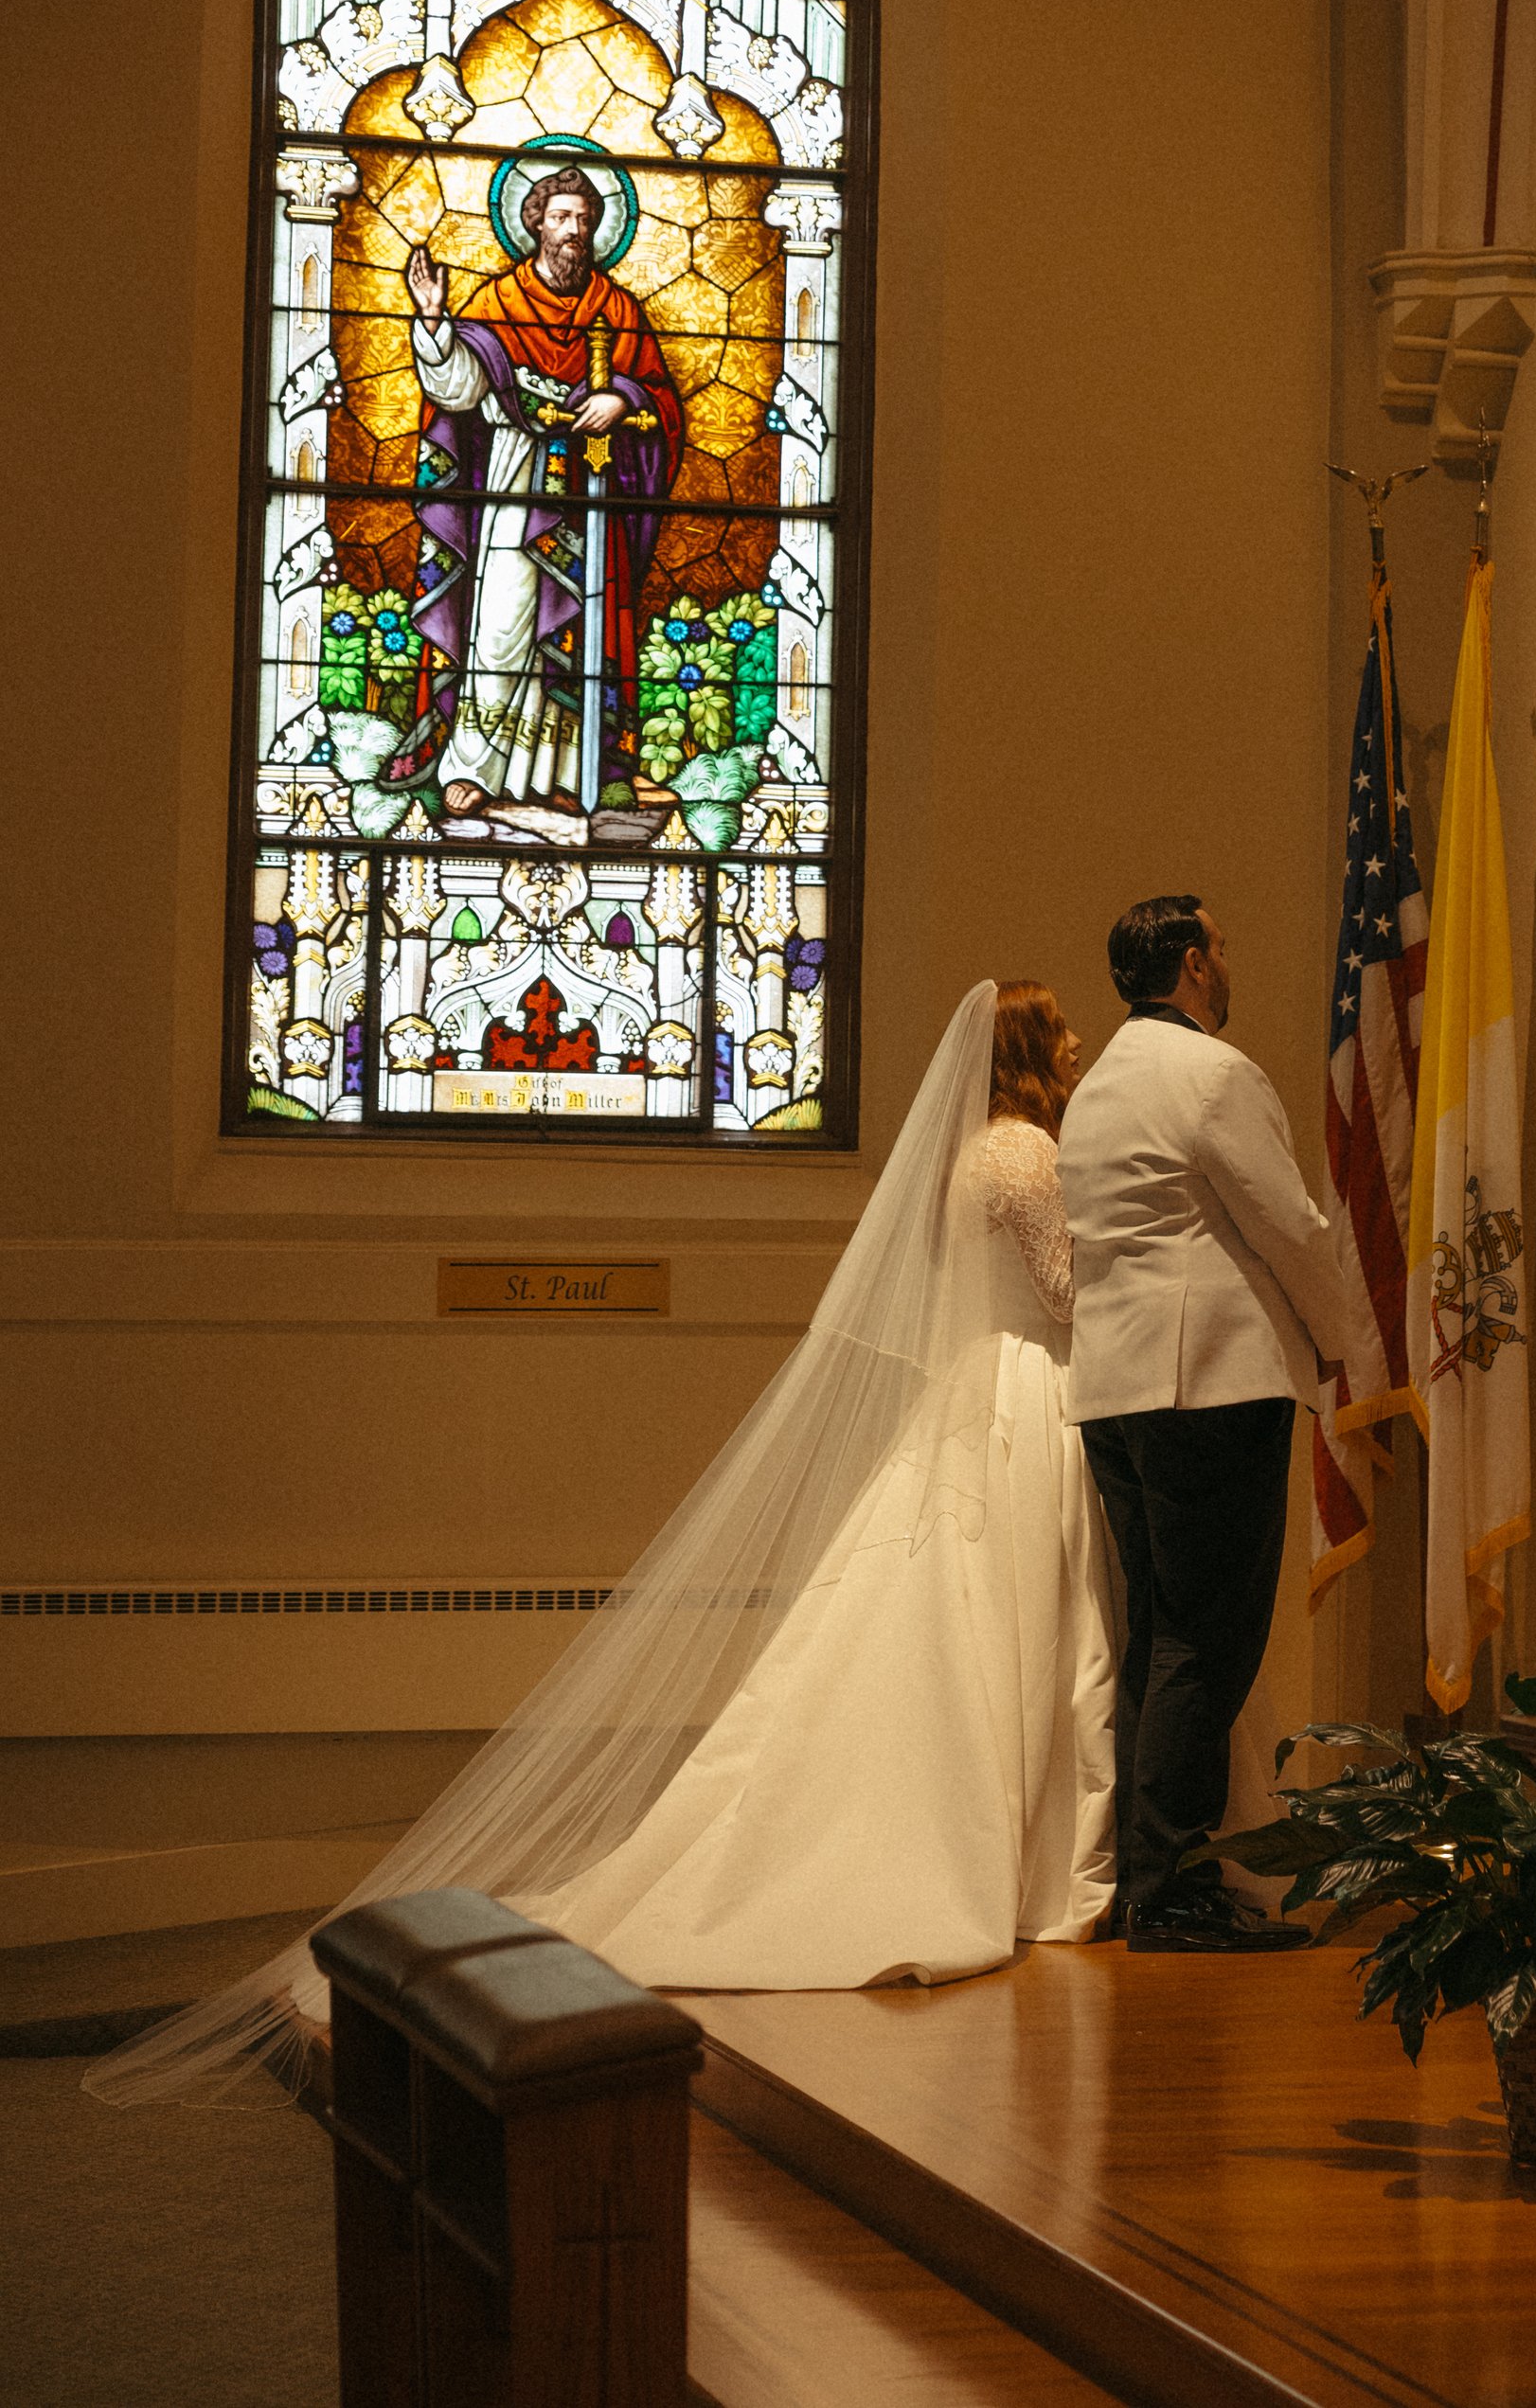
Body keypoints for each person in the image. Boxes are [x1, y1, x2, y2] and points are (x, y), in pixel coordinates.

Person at [90, 980, 1116, 2106]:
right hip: (1029, 1395)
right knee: (1039, 1614)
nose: (1073, 1044)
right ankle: (1037, 1862)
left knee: (954, 1618)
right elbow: (1064, 1295)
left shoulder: (965, 1159)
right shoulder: (1028, 1155)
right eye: (1059, 1029)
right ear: (1025, 1047)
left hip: (968, 1397)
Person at [1060, 895, 1350, 1953]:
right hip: (1211, 1385)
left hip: (1116, 1389)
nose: (1227, 966)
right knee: (1207, 1642)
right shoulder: (1213, 1075)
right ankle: (1175, 1892)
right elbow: (1291, 1228)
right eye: (1220, 948)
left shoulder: (1096, 1090)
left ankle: (1152, 1879)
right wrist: (1346, 1344)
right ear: (1189, 964)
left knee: (1161, 1638)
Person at [393, 158, 682, 819]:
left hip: (592, 488)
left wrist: (622, 399)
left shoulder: (619, 310)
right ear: (534, 224)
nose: (573, 229)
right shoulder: (499, 302)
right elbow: (457, 391)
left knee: (587, 630)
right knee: (500, 627)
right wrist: (435, 323)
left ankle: (575, 772)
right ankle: (475, 767)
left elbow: (661, 401)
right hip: (514, 480)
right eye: (560, 216)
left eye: (584, 218)